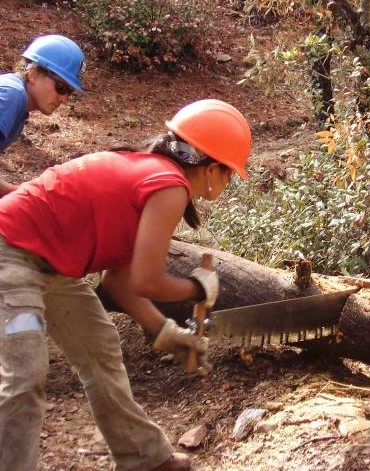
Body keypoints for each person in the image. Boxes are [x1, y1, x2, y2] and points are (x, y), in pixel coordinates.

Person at [0, 99, 252, 471]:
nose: (228, 181)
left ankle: (144, 458)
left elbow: (118, 280)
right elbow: (146, 281)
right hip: (10, 251)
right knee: (25, 375)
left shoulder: (147, 173)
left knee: (100, 347)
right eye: (229, 172)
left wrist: (166, 333)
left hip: (50, 264)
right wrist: (198, 289)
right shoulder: (169, 186)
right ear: (211, 168)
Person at [0, 34, 85, 196]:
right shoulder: (11, 95)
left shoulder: (17, 99)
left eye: (70, 92)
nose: (65, 99)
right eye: (61, 87)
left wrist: (15, 192)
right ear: (33, 73)